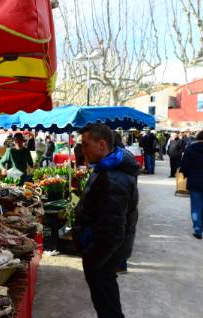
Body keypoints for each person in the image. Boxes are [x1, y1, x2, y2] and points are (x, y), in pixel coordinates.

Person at [73, 124, 139, 318]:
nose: (82, 150)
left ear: (102, 145)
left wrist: (92, 258)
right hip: (104, 253)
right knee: (106, 300)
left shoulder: (113, 177)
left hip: (103, 256)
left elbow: (113, 231)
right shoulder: (107, 167)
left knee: (107, 305)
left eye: (86, 145)